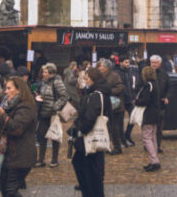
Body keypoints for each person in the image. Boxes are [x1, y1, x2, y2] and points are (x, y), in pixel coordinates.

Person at [0, 76, 37, 197]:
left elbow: (16, 128)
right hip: (9, 154)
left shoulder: (26, 107)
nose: (6, 91)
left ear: (19, 90)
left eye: (9, 88)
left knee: (10, 190)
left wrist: (2, 115)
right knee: (5, 190)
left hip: (20, 155)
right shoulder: (9, 104)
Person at [70, 68, 111, 197]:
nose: (85, 81)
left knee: (90, 172)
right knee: (86, 167)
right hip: (89, 138)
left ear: (94, 79)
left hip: (90, 138)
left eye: (87, 78)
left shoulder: (95, 95)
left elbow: (90, 117)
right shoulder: (96, 93)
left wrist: (79, 129)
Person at [33, 63, 68, 168]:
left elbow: (64, 96)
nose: (43, 74)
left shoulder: (57, 82)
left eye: (45, 72)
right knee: (42, 136)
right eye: (43, 72)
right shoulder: (43, 83)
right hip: (44, 113)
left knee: (54, 136)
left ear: (51, 73)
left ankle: (54, 159)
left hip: (53, 114)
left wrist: (55, 107)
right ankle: (41, 159)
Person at [135, 65, 162, 172]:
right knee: (153, 137)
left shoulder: (148, 85)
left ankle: (154, 161)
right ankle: (154, 160)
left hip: (148, 114)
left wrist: (136, 102)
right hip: (156, 113)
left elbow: (145, 100)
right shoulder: (156, 84)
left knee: (147, 138)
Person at [96, 59, 124, 155]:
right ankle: (106, 146)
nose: (99, 68)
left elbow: (120, 87)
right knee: (106, 127)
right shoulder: (100, 77)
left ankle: (117, 147)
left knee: (114, 127)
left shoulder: (114, 76)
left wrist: (109, 91)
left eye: (101, 66)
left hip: (114, 106)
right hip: (104, 105)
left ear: (106, 68)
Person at [119, 57, 139, 147]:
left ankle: (127, 135)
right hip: (121, 100)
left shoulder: (130, 72)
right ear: (121, 63)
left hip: (130, 100)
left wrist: (134, 97)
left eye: (128, 62)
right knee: (120, 121)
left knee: (133, 117)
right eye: (126, 62)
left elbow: (131, 85)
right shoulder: (118, 72)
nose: (128, 64)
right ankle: (122, 139)